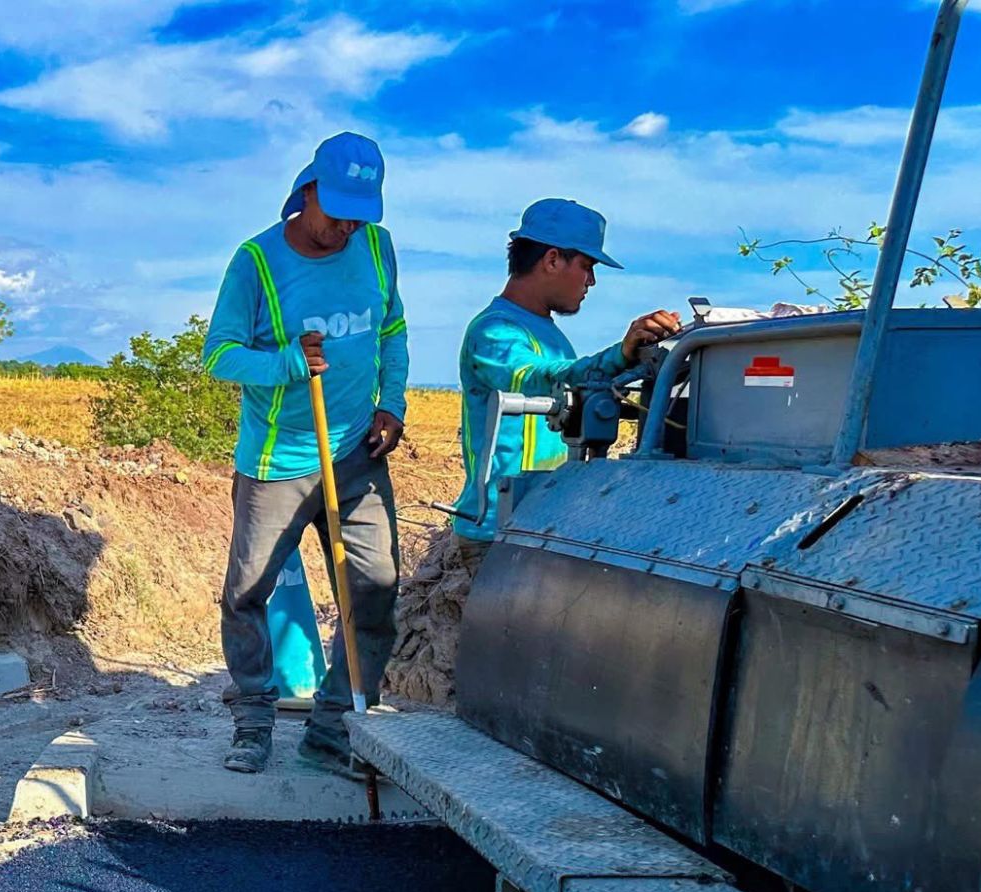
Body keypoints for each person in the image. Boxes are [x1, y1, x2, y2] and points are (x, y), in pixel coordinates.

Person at [203, 131, 410, 775]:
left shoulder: (376, 248)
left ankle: (335, 729)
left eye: (360, 212)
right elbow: (219, 355)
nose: (347, 225)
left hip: (355, 455)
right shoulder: (257, 262)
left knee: (374, 589)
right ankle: (252, 722)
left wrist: (392, 404)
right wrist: (288, 363)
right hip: (277, 461)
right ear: (308, 189)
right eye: (338, 209)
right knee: (247, 593)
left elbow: (393, 330)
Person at [451, 199, 680, 548]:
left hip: (539, 520)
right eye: (587, 266)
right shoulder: (493, 331)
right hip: (495, 533)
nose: (591, 281)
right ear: (553, 259)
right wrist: (620, 353)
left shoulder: (550, 334)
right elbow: (538, 377)